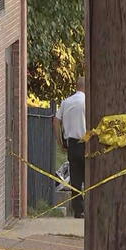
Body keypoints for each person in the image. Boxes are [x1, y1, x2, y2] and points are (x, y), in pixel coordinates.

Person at [53, 77, 86, 218]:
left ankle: (78, 210)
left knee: (76, 178)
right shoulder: (88, 102)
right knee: (90, 177)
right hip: (87, 143)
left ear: (76, 86)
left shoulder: (66, 102)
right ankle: (90, 208)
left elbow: (56, 121)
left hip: (72, 144)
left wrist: (60, 142)